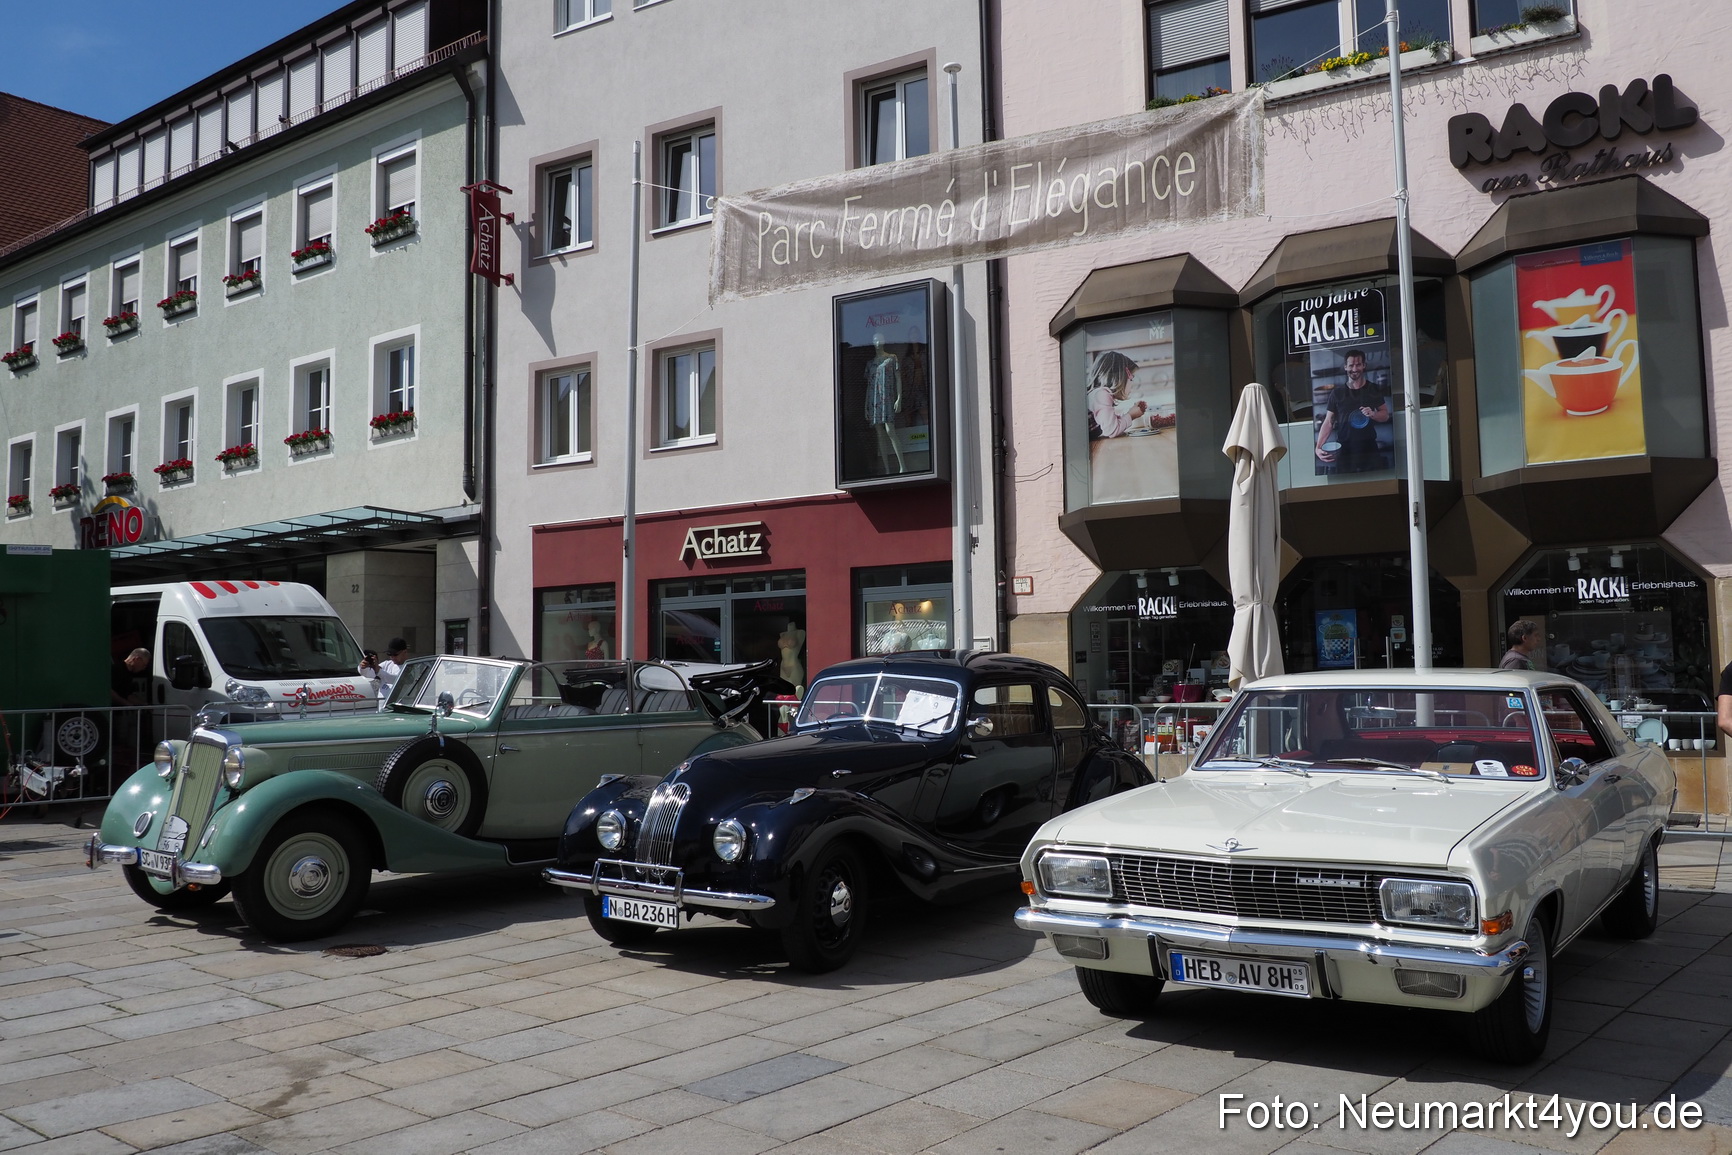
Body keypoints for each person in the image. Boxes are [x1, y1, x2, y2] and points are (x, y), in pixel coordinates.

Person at [1314, 349, 1391, 473]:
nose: (1354, 369)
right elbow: (1328, 422)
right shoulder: (1337, 393)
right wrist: (1318, 447)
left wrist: (1374, 414)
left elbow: (1385, 415)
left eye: (1358, 364)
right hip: (1345, 449)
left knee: (1374, 485)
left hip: (1369, 447)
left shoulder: (1373, 389)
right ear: (1345, 367)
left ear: (1364, 365)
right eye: (1351, 365)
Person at [864, 333, 904, 474]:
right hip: (874, 399)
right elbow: (869, 385)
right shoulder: (871, 364)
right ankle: (887, 470)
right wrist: (865, 406)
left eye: (880, 339)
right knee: (879, 433)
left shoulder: (891, 358)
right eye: (875, 340)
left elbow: (898, 378)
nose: (878, 342)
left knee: (890, 430)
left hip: (887, 398)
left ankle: (902, 466)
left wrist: (899, 398)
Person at [1085, 349, 1146, 439]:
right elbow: (1111, 430)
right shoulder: (1101, 395)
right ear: (1120, 378)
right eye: (1131, 379)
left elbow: (1111, 423)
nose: (1132, 384)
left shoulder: (1098, 394)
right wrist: (1131, 415)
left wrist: (1129, 413)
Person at [359, 637, 409, 708]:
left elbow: (396, 680)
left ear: (405, 652)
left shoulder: (410, 666)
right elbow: (369, 674)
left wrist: (378, 670)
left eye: (395, 654)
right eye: (390, 654)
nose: (392, 657)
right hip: (382, 708)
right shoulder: (387, 664)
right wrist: (363, 667)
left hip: (400, 708)